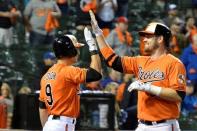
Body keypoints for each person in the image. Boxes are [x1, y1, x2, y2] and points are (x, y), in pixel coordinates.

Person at [89, 10, 186, 131]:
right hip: (142, 125)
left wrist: (148, 88)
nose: (144, 39)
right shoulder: (140, 61)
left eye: (149, 36)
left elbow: (178, 95)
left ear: (160, 39)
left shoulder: (174, 63)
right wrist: (98, 34)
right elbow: (113, 61)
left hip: (164, 125)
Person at [39, 27, 102, 131]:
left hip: (50, 124)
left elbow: (42, 108)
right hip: (63, 124)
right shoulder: (68, 71)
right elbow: (96, 74)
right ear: (70, 51)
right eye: (76, 49)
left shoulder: (46, 75)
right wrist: (93, 47)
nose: (78, 52)